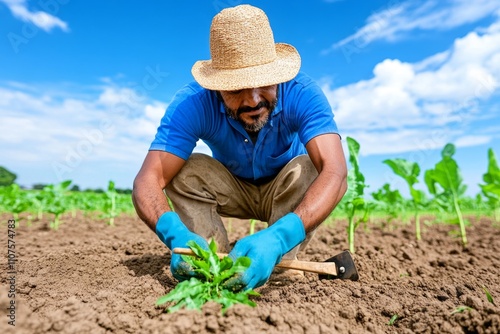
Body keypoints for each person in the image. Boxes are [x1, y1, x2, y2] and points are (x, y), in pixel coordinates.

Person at [132, 4, 347, 291]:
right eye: (236, 89)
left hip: (285, 191)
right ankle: (209, 262)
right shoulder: (192, 103)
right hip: (232, 188)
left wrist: (280, 237)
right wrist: (175, 235)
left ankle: (278, 260)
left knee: (309, 167)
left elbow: (335, 173)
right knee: (185, 170)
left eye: (263, 84)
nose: (253, 100)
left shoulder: (302, 93)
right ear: (217, 87)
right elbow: (148, 179)